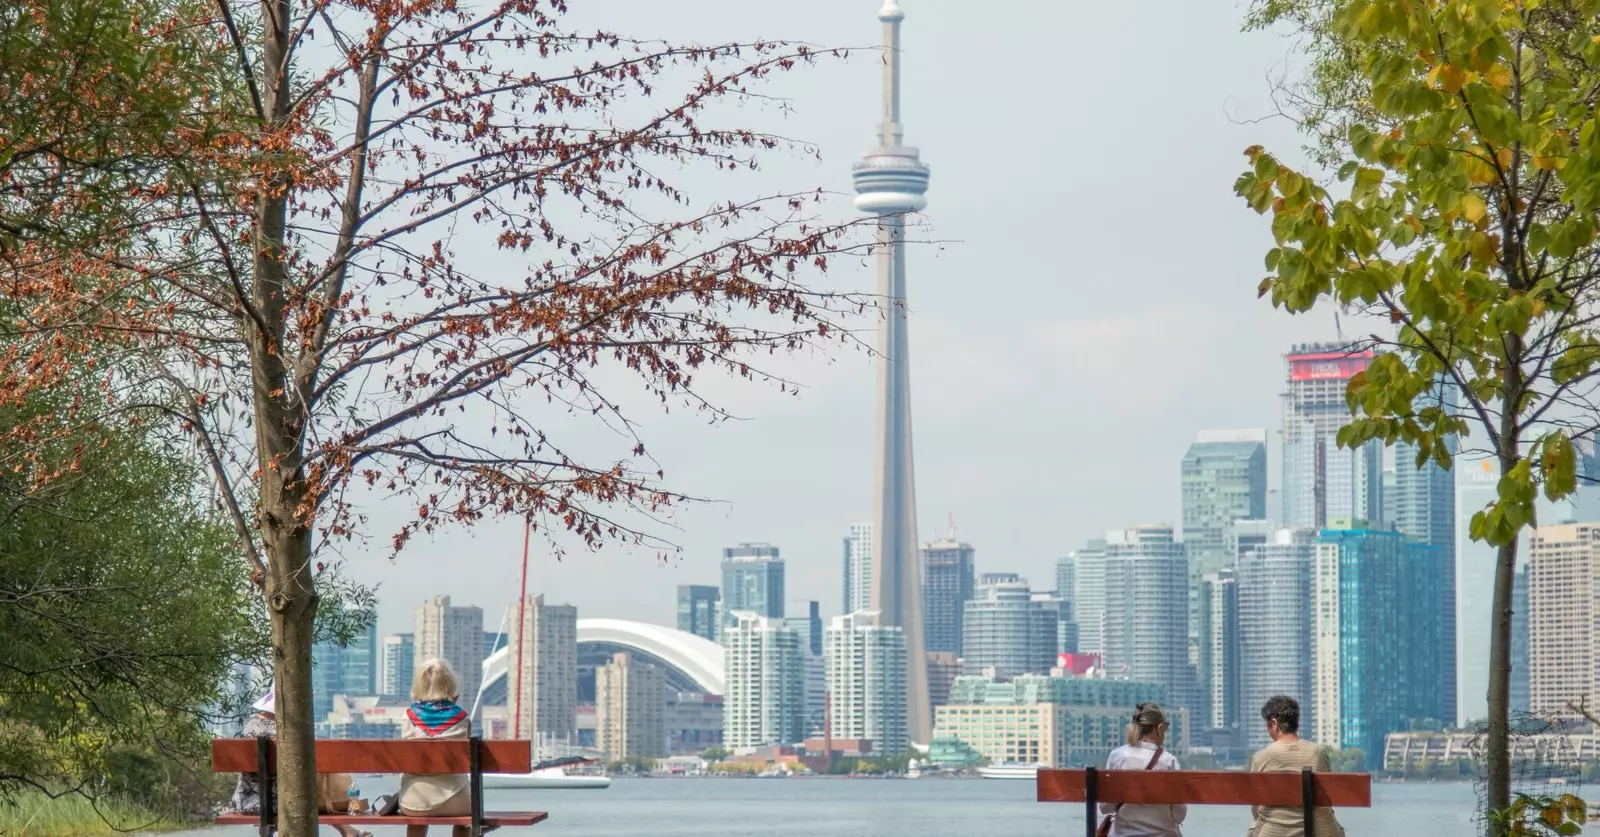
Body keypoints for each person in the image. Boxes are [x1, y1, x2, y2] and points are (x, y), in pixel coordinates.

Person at [228, 687, 372, 837]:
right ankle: (347, 830)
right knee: (310, 794)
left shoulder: (250, 727)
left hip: (247, 801)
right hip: (287, 803)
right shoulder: (288, 732)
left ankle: (347, 831)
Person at [1247, 695, 1345, 837]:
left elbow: (1255, 809)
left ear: (1274, 724)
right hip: (1321, 832)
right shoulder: (1319, 752)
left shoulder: (1261, 757)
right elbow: (1327, 800)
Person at [399, 658, 473, 837]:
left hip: (414, 801)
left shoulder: (407, 717)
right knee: (465, 822)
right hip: (457, 801)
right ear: (450, 684)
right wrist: (452, 704)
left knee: (417, 819)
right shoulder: (462, 718)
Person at [1099, 702, 1185, 837]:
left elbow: (1105, 808)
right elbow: (1179, 814)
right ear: (1159, 728)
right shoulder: (1169, 761)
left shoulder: (1117, 756)